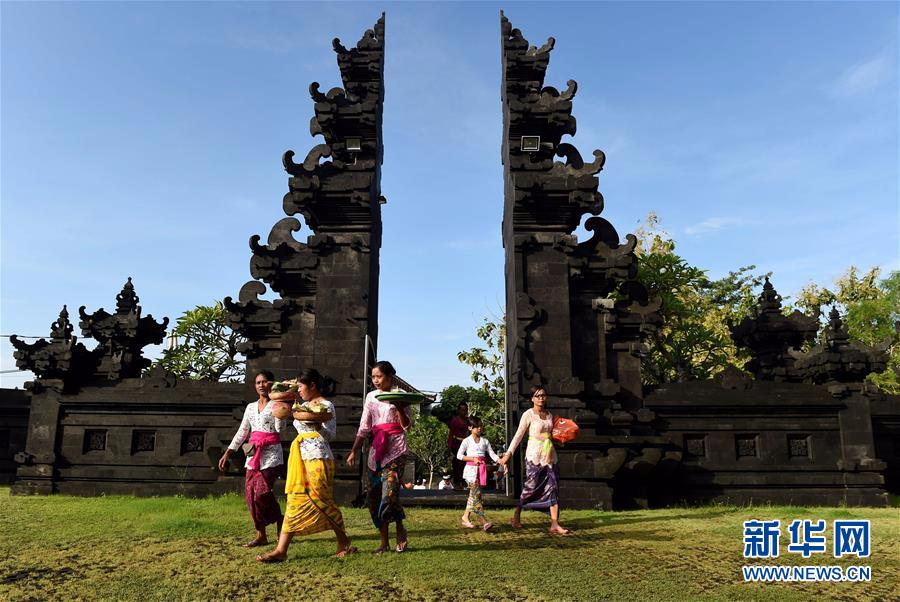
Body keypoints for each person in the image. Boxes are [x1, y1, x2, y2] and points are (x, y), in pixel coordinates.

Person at [256, 368, 356, 562]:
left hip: (319, 457)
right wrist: (281, 409)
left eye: (301, 386)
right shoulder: (298, 406)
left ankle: (343, 540)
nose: (299, 390)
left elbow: (330, 435)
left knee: (322, 499)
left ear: (313, 385)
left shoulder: (327, 405)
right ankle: (281, 550)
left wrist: (317, 424)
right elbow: (280, 428)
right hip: (300, 458)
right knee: (294, 501)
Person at [346, 361, 412, 553]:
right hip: (376, 450)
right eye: (373, 377)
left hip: (396, 449)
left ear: (390, 376)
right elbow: (364, 426)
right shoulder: (371, 397)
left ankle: (400, 528)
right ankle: (384, 542)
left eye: (379, 376)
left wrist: (399, 407)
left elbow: (407, 426)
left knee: (389, 493)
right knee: (374, 498)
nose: (375, 380)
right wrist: (354, 450)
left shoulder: (401, 395)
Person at [218, 370, 287, 548]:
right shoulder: (250, 407)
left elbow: (280, 430)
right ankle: (261, 534)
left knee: (262, 492)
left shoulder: (278, 405)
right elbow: (243, 431)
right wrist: (229, 452)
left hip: (271, 454)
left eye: (265, 382)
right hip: (252, 453)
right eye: (258, 382)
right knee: (250, 495)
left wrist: (280, 412)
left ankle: (280, 518)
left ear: (272, 384)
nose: (261, 385)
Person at [498, 386, 570, 535]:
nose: (541, 398)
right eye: (537, 396)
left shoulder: (550, 415)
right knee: (530, 487)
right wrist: (508, 454)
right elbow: (518, 435)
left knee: (553, 487)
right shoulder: (528, 415)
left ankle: (555, 523)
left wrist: (559, 440)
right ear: (532, 399)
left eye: (543, 395)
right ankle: (517, 514)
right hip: (534, 456)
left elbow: (552, 434)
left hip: (549, 456)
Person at [457, 416, 502, 531]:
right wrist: (472, 459)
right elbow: (459, 455)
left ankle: (465, 517)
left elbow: (491, 454)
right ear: (470, 428)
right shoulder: (466, 441)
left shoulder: (485, 441)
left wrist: (500, 460)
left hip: (481, 471)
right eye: (477, 427)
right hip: (470, 472)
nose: (480, 429)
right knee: (476, 495)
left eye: (481, 426)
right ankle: (483, 521)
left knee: (474, 495)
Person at [447, 402, 469, 490]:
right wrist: (449, 445)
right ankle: (457, 483)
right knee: (456, 464)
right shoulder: (455, 420)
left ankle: (463, 482)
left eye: (465, 410)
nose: (464, 412)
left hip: (466, 445)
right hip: (456, 444)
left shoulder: (468, 421)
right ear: (459, 410)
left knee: (465, 464)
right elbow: (451, 433)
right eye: (462, 410)